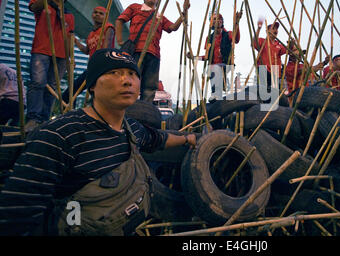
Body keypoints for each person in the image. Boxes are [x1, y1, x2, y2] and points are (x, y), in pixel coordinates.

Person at [0, 48, 196, 236]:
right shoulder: (61, 134)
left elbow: (158, 139)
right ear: (92, 84)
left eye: (131, 73)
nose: (126, 81)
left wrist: (187, 138)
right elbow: (17, 214)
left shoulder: (131, 128)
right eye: (114, 72)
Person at [115, 0, 190, 103]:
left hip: (154, 55)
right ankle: (128, 110)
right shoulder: (135, 8)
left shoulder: (160, 16)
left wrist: (184, 11)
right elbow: (120, 20)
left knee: (149, 88)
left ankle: (145, 112)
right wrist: (120, 41)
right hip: (136, 52)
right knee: (131, 82)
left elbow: (173, 27)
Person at [25, 0, 75, 132]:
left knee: (53, 88)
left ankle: (44, 121)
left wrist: (70, 59)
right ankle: (33, 118)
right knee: (38, 83)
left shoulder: (69, 16)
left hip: (61, 56)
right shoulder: (43, 3)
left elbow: (69, 38)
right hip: (42, 50)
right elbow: (34, 7)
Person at [62, 6, 115, 104]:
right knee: (69, 94)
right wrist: (75, 40)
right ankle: (72, 115)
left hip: (102, 68)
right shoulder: (91, 34)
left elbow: (107, 47)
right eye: (95, 12)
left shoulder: (108, 27)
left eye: (101, 13)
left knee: (97, 97)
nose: (97, 15)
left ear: (105, 17)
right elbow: (86, 50)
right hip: (91, 68)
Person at [187, 12, 242, 98]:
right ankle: (217, 93)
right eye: (214, 19)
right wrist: (194, 57)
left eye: (219, 19)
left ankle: (216, 92)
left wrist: (237, 23)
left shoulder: (228, 34)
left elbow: (237, 39)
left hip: (226, 64)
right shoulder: (209, 38)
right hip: (214, 67)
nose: (217, 21)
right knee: (211, 69)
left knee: (214, 68)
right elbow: (206, 57)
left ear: (222, 21)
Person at [253, 19, 287, 91]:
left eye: (276, 29)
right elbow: (254, 43)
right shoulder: (263, 41)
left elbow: (287, 50)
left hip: (275, 72)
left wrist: (291, 45)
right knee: (264, 91)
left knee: (275, 93)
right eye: (273, 29)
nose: (275, 30)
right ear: (267, 32)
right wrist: (258, 29)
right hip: (264, 69)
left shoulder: (279, 45)